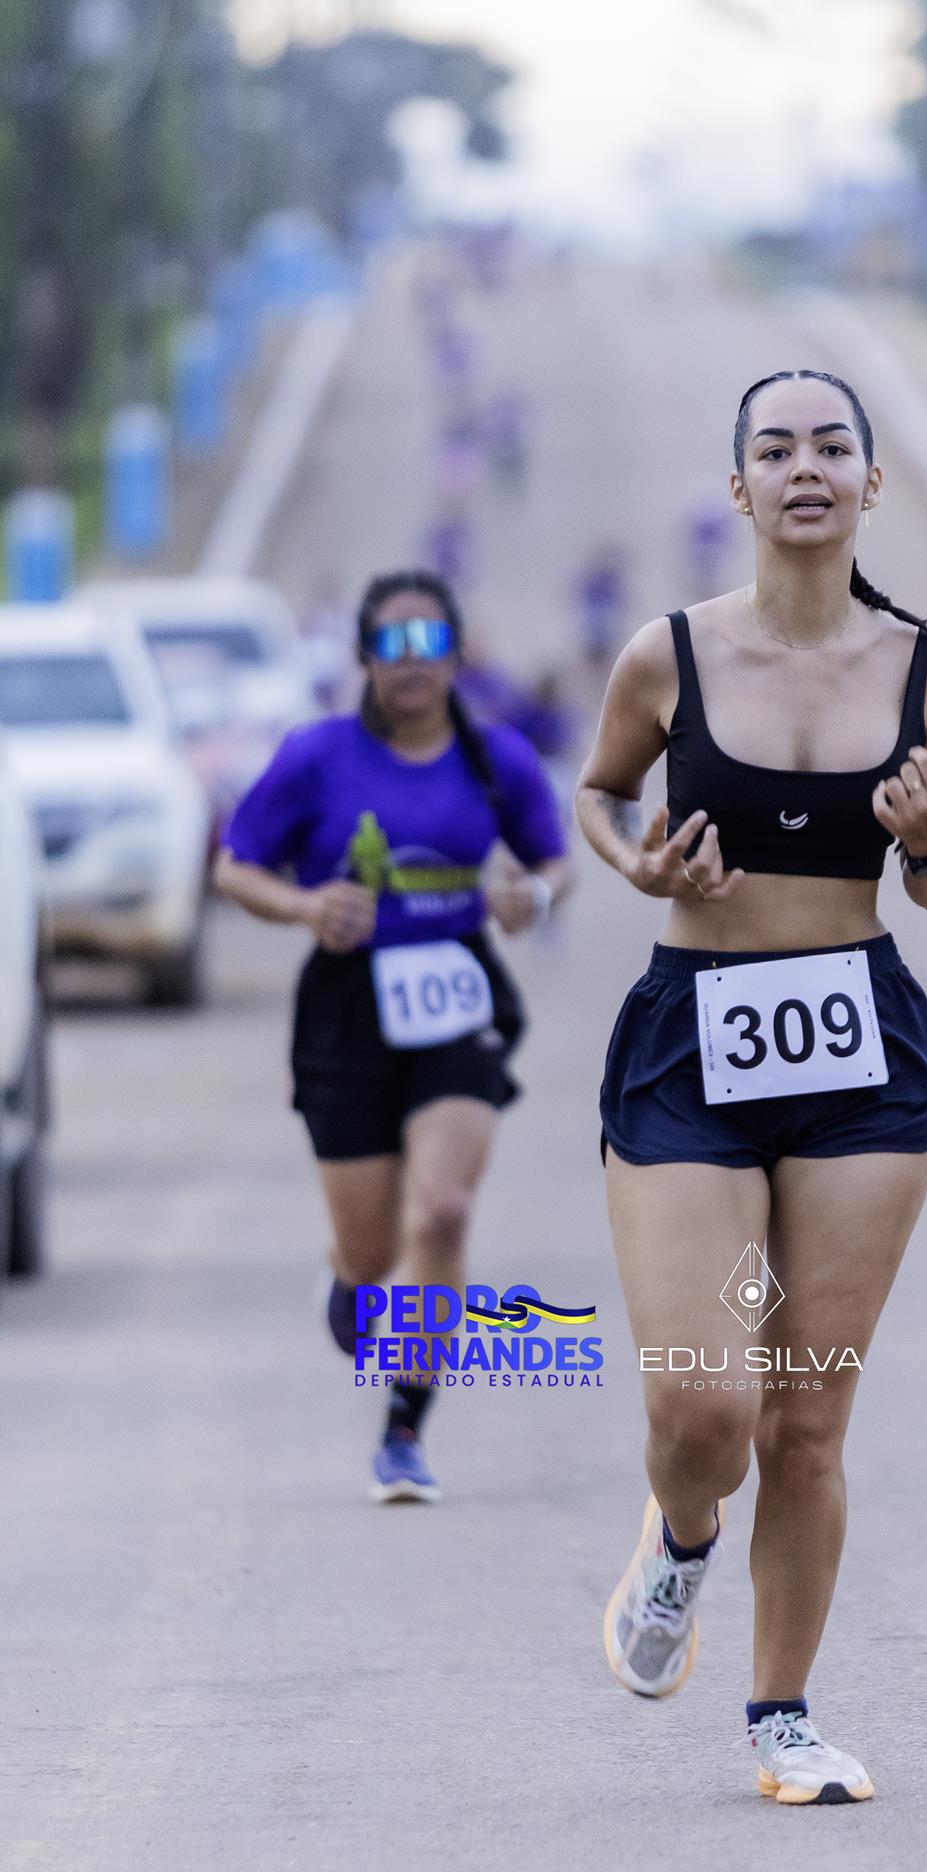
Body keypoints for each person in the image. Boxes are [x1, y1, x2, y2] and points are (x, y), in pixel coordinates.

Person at [575, 369, 927, 1805]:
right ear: (739, 488)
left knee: (804, 1417)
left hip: (860, 1049)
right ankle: (680, 1541)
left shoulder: (925, 671)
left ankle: (783, 1720)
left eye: (834, 446)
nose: (808, 467)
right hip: (693, 1045)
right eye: (777, 449)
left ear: (872, 482)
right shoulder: (668, 656)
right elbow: (601, 794)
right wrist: (638, 865)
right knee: (706, 1412)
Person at [214, 569, 573, 1503]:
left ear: (456, 653)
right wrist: (304, 906)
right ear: (364, 656)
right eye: (391, 643)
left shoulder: (496, 759)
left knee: (443, 1211)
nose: (411, 661)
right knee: (374, 1253)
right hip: (346, 1007)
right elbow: (235, 866)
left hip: (456, 994)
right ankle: (349, 1274)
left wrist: (532, 898)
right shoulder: (317, 756)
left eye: (429, 641)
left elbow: (554, 860)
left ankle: (404, 1429)